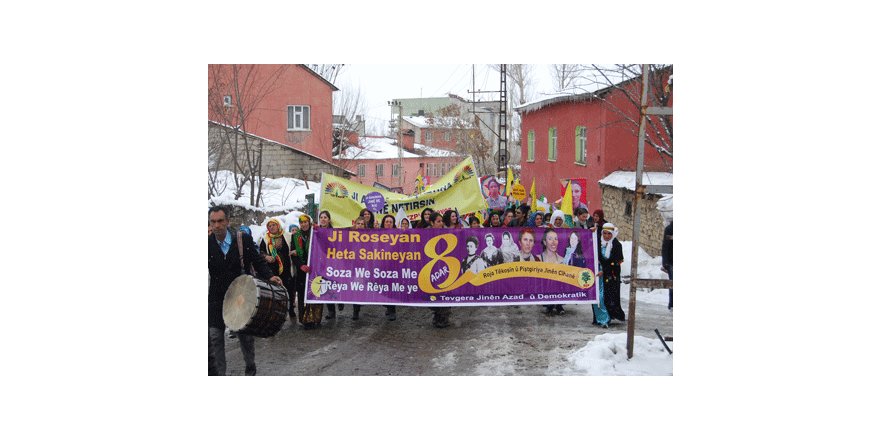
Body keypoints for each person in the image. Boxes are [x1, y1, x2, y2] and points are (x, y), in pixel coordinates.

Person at [209, 206, 282, 376]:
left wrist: (270, 276)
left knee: (245, 337)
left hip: (241, 295)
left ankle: (250, 367)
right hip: (217, 297)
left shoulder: (243, 239)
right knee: (215, 338)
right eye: (213, 222)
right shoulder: (207, 244)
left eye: (220, 221)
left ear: (227, 221)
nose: (217, 225)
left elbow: (257, 261)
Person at [258, 217, 297, 322]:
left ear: (278, 225)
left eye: (273, 225)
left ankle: (291, 309)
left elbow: (295, 247)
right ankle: (277, 312)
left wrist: (294, 251)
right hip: (273, 270)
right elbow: (261, 252)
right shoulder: (266, 239)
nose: (272, 227)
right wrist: (266, 256)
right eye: (269, 226)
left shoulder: (288, 236)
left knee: (290, 289)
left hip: (287, 268)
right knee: (275, 291)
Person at [291, 214, 323, 329]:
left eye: (305, 222)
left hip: (315, 268)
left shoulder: (316, 232)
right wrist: (301, 265)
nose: (304, 224)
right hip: (302, 271)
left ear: (309, 222)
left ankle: (315, 318)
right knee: (302, 294)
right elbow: (293, 254)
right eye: (301, 223)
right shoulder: (295, 236)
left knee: (315, 292)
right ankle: (305, 319)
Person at [429, 213, 452, 328]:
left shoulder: (447, 233)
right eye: (438, 221)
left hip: (445, 268)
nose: (441, 223)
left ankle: (443, 317)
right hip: (432, 268)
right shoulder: (425, 233)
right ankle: (437, 314)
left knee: (445, 291)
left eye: (441, 221)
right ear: (432, 223)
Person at [599, 223, 626, 321]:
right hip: (599, 274)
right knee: (600, 296)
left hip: (612, 275)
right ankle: (601, 317)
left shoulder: (616, 245)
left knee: (611, 296)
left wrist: (605, 270)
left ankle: (611, 315)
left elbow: (617, 261)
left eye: (609, 234)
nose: (606, 236)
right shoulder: (598, 243)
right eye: (604, 233)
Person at [316, 210, 339, 319]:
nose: (323, 219)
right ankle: (331, 310)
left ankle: (340, 301)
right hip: (321, 262)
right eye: (321, 217)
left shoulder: (335, 232)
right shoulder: (316, 231)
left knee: (335, 284)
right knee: (325, 285)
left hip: (332, 261)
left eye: (325, 217)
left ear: (329, 220)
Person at [540, 227, 567, 315]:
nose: (553, 242)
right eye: (550, 239)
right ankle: (549, 305)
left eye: (556, 239)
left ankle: (559, 305)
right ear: (545, 242)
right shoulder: (539, 258)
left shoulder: (562, 260)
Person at [662, 220, 673, 310]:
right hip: (671, 261)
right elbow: (665, 246)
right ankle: (672, 304)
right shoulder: (669, 229)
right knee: (672, 283)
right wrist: (665, 262)